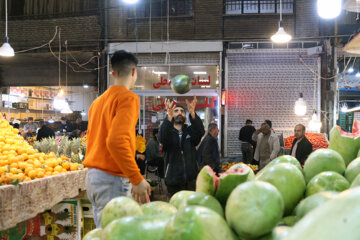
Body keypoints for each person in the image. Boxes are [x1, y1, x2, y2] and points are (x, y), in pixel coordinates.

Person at [83, 50, 150, 228]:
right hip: (112, 179)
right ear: (134, 71)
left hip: (93, 178)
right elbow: (115, 141)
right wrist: (136, 178)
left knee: (103, 231)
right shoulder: (128, 98)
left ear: (113, 73)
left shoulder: (97, 102)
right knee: (116, 232)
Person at [159, 97, 205, 198]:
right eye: (176, 111)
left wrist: (193, 114)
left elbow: (200, 132)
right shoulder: (168, 132)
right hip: (173, 179)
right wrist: (168, 119)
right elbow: (162, 138)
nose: (180, 113)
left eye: (182, 111)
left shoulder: (189, 131)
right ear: (171, 114)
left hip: (191, 180)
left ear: (185, 116)